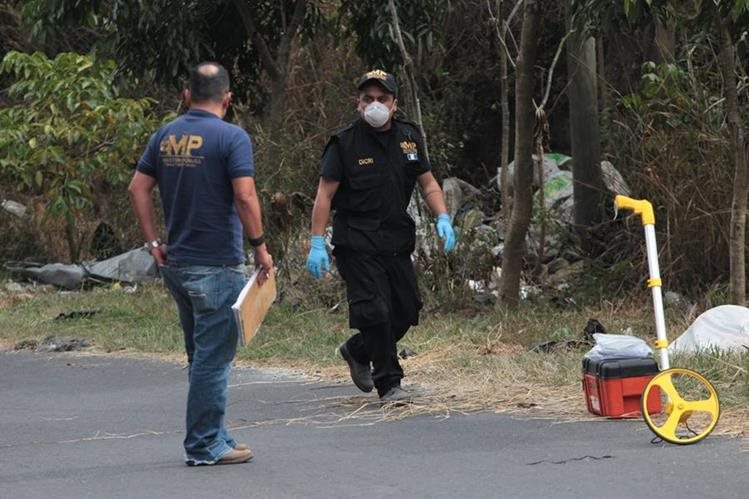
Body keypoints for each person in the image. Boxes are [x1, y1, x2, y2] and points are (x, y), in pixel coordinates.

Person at [128, 61, 272, 465]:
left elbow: (138, 188)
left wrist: (154, 240)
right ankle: (204, 444)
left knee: (201, 355)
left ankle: (216, 434)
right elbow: (245, 197)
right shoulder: (232, 137)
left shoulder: (165, 135)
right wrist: (259, 246)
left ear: (187, 95)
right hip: (217, 265)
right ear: (227, 98)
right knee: (214, 359)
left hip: (178, 263)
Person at [306, 69, 455, 403]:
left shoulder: (409, 137)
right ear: (358, 104)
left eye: (382, 99)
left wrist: (442, 216)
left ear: (394, 104)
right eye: (368, 99)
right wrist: (316, 242)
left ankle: (359, 350)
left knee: (406, 309)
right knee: (376, 311)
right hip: (356, 240)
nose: (375, 105)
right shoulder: (344, 143)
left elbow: (427, 183)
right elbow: (324, 196)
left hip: (395, 239)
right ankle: (389, 382)